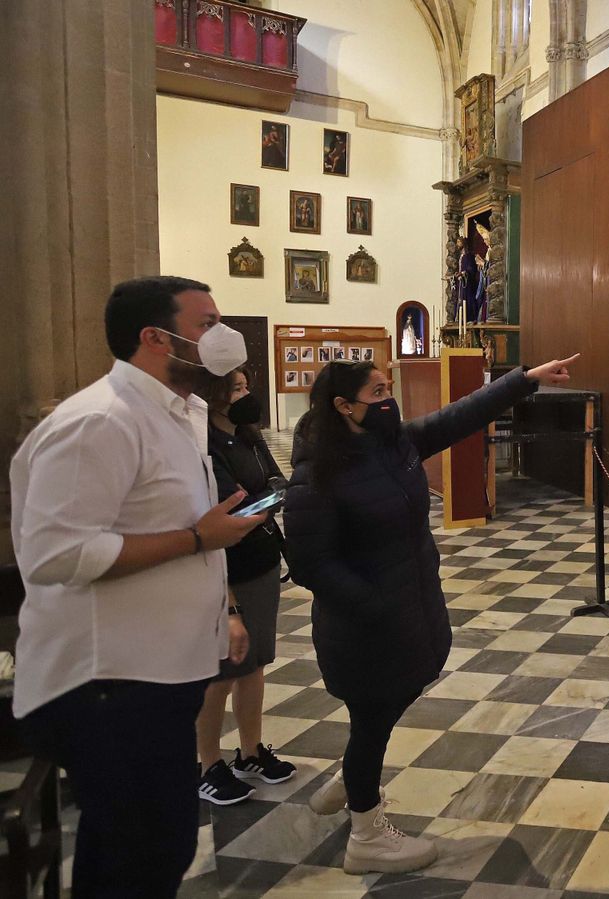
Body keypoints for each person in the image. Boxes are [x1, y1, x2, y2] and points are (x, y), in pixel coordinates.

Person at [10, 276, 264, 897]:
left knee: (157, 844)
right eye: (206, 323)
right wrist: (200, 540)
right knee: (137, 855)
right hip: (110, 683)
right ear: (156, 337)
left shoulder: (181, 410)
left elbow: (190, 522)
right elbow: (54, 554)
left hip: (161, 673)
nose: (222, 336)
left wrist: (221, 609)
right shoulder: (99, 420)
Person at [286, 352, 578, 875]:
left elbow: (459, 416)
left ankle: (358, 779)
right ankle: (367, 834)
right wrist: (377, 608)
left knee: (387, 705)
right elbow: (311, 563)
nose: (388, 400)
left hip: (409, 607)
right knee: (374, 716)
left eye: (387, 388)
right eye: (377, 394)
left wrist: (525, 382)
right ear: (342, 407)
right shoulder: (318, 474)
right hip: (365, 627)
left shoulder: (392, 443)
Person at [195, 367, 296, 805]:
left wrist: (257, 502)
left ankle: (250, 752)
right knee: (221, 671)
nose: (246, 394)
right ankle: (207, 765)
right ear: (215, 395)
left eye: (245, 385)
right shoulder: (203, 445)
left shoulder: (249, 434)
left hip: (260, 559)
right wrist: (256, 504)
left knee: (254, 662)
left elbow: (277, 485)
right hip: (224, 567)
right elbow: (225, 508)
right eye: (237, 388)